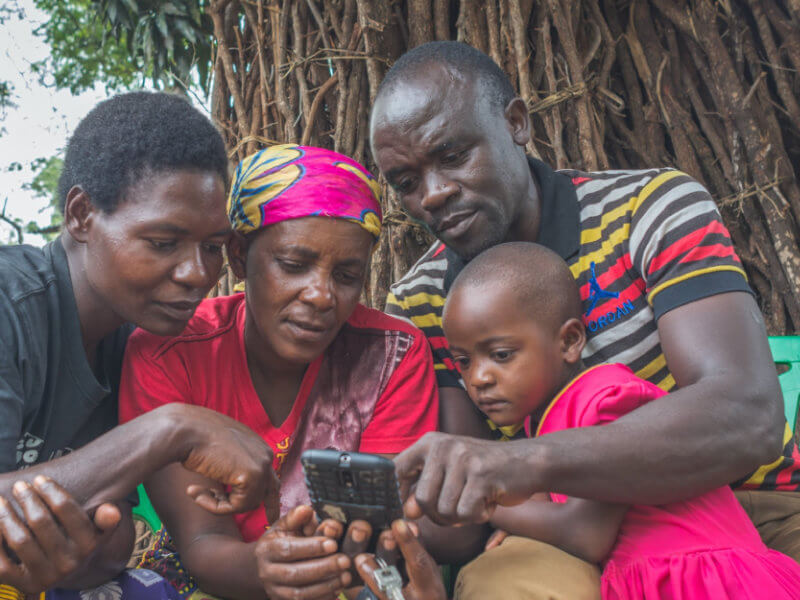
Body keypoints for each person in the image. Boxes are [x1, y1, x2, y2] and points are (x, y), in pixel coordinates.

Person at [371, 41, 796, 597]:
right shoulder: (423, 300)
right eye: (405, 182)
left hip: (745, 503)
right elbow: (467, 508)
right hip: (561, 529)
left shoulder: (650, 209)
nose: (434, 194)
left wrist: (522, 463)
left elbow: (747, 414)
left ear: (516, 124)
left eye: (453, 156)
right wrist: (377, 519)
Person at [118, 144, 439, 600]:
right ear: (238, 255)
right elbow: (203, 543)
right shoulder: (167, 355)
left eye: (347, 275)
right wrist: (264, 566)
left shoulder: (392, 356)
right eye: (294, 265)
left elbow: (379, 532)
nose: (321, 296)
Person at [0, 92, 281, 598]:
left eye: (213, 248)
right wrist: (169, 428)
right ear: (82, 215)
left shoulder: (139, 345)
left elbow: (111, 544)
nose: (197, 274)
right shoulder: (9, 310)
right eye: (162, 243)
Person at [441, 241, 800, 599]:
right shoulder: (546, 417)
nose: (479, 378)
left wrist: (487, 506)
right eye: (464, 362)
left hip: (705, 581)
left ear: (569, 341)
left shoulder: (607, 400)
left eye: (501, 355)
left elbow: (585, 534)